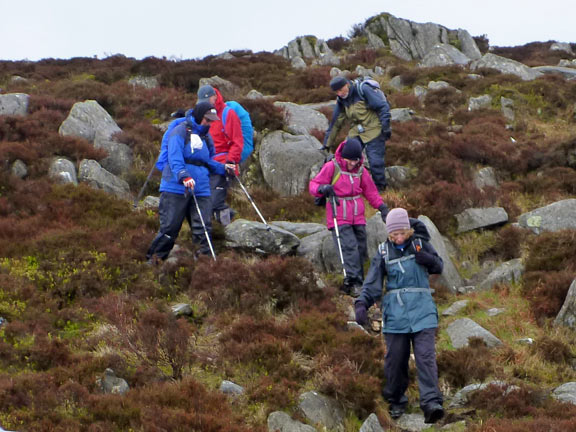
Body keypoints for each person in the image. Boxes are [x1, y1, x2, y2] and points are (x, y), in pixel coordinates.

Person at [354, 208, 444, 424]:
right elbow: (373, 282)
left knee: (425, 357)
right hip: (396, 315)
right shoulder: (383, 252)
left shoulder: (420, 244)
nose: (399, 238)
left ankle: (431, 403)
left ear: (409, 230)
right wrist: (361, 303)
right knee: (395, 359)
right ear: (389, 234)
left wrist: (428, 259)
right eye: (394, 234)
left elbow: (439, 266)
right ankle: (396, 400)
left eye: (402, 233)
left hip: (422, 311)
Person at [146, 101, 226, 262]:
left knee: (203, 228)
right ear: (198, 115)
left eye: (212, 120)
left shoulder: (206, 136)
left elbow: (207, 161)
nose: (209, 123)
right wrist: (183, 175)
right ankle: (153, 262)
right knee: (170, 229)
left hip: (201, 188)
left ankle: (205, 266)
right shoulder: (180, 131)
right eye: (207, 119)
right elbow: (174, 157)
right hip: (176, 187)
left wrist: (224, 168)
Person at [309, 137, 389, 296]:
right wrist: (323, 188)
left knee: (360, 249)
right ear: (343, 156)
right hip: (339, 216)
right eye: (350, 160)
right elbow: (313, 185)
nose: (353, 163)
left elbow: (371, 192)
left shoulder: (361, 171)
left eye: (356, 159)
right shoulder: (332, 167)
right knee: (349, 248)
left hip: (358, 217)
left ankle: (358, 281)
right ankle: (354, 283)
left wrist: (382, 207)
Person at [323, 76, 391, 191]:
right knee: (345, 155)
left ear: (347, 85)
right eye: (337, 92)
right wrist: (327, 144)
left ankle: (380, 188)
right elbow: (336, 123)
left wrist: (385, 128)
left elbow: (383, 107)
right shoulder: (342, 100)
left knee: (375, 160)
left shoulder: (363, 90)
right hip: (357, 130)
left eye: (341, 90)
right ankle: (347, 185)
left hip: (374, 129)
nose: (339, 93)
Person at [197, 84, 243, 226]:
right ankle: (219, 228)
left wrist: (231, 161)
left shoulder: (227, 114)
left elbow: (237, 141)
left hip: (222, 164)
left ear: (214, 97)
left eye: (206, 101)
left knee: (214, 201)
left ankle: (226, 228)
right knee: (204, 202)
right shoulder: (203, 114)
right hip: (205, 164)